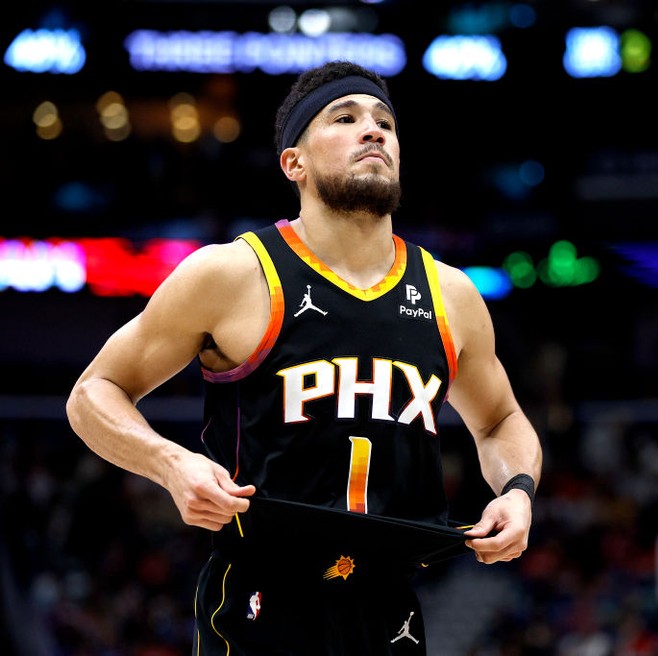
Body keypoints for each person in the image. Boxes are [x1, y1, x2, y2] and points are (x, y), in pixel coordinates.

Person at [66, 59, 542, 655]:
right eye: (345, 117)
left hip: (391, 604)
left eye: (385, 123)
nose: (373, 131)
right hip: (262, 597)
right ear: (294, 162)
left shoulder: (452, 294)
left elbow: (500, 420)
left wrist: (518, 490)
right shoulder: (231, 273)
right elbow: (93, 392)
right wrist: (171, 465)